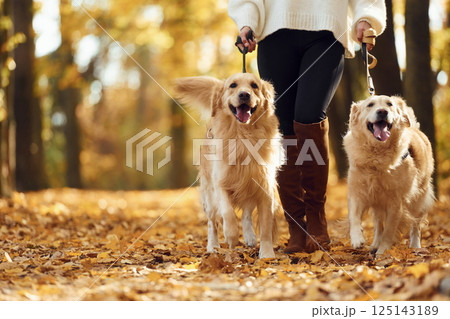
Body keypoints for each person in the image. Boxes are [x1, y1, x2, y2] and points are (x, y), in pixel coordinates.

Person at [228, 1, 387, 253]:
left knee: (309, 116)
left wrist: (367, 16)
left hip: (327, 31)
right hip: (274, 34)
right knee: (284, 125)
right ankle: (295, 225)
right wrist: (247, 21)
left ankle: (315, 217)